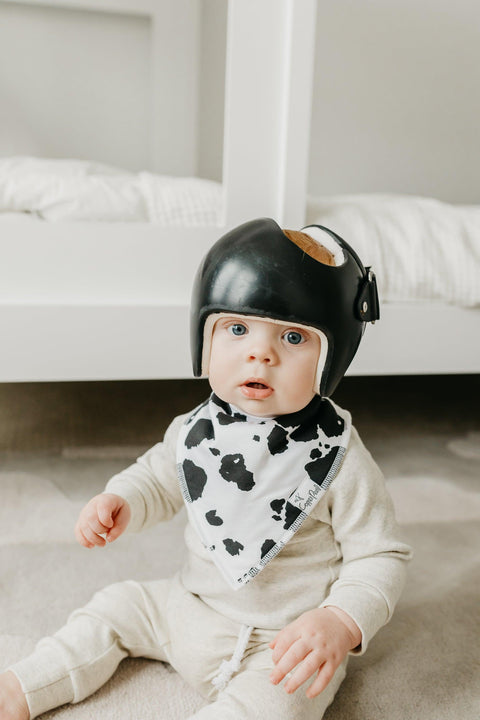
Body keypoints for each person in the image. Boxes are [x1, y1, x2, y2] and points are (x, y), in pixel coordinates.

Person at [0, 218, 412, 720]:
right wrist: (122, 499)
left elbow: (381, 555)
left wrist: (340, 621)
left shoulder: (339, 457)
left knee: (277, 706)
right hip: (186, 607)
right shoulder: (196, 430)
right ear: (204, 336)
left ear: (333, 357)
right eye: (237, 329)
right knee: (115, 606)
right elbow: (158, 477)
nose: (260, 353)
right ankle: (22, 687)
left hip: (285, 646)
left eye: (293, 338)